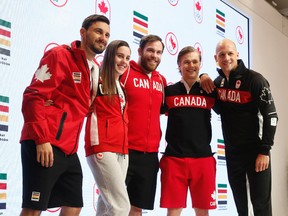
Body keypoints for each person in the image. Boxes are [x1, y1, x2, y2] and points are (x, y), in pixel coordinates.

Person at [19, 14, 110, 216]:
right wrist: (42, 140)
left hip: (68, 149)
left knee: (74, 205)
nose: (103, 37)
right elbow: (33, 96)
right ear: (83, 32)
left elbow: (75, 103)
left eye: (106, 34)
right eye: (98, 31)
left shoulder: (94, 69)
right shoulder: (60, 55)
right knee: (34, 208)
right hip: (44, 142)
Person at [200, 38, 278, 216]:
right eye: (222, 54)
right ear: (216, 58)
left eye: (230, 53)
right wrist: (202, 75)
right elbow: (220, 109)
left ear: (237, 55)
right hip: (233, 153)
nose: (226, 58)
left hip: (257, 151)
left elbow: (272, 117)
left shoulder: (255, 80)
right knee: (240, 206)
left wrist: (264, 151)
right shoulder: (219, 82)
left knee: (261, 205)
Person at [160, 46, 217, 216]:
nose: (191, 65)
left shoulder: (209, 91)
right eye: (186, 62)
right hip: (174, 159)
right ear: (179, 65)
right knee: (173, 211)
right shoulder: (169, 91)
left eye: (195, 61)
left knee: (202, 211)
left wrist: (204, 76)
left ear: (200, 64)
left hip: (203, 159)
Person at [120, 34, 167, 216]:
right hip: (123, 150)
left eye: (158, 52)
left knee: (137, 207)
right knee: (114, 204)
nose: (154, 55)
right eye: (150, 50)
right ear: (140, 51)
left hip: (149, 155)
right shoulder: (125, 73)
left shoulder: (161, 81)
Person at [84, 40, 131, 216]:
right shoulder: (96, 77)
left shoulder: (122, 86)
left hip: (122, 150)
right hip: (102, 147)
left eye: (127, 57)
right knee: (121, 207)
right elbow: (76, 101)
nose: (124, 61)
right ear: (110, 56)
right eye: (120, 56)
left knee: (106, 206)